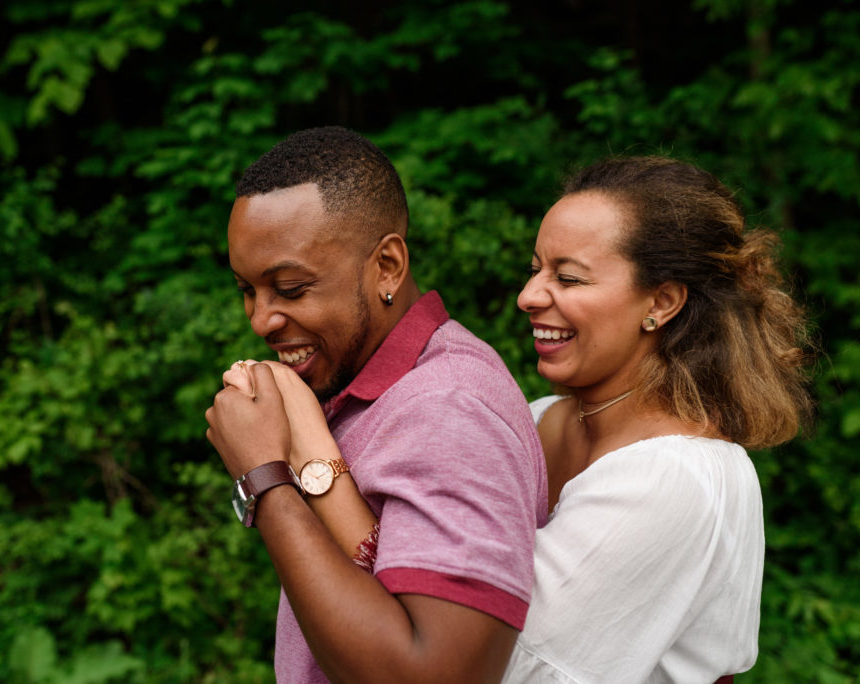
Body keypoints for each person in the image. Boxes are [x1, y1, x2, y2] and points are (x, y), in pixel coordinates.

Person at [228, 155, 813, 683]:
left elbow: (495, 666)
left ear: (660, 303)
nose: (529, 295)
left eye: (569, 277)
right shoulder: (535, 421)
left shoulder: (680, 480)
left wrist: (302, 463)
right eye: (536, 269)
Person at [204, 126, 548, 683]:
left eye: (290, 289)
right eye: (247, 289)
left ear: (387, 266)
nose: (260, 319)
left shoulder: (450, 408)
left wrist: (263, 478)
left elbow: (432, 673)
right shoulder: (359, 389)